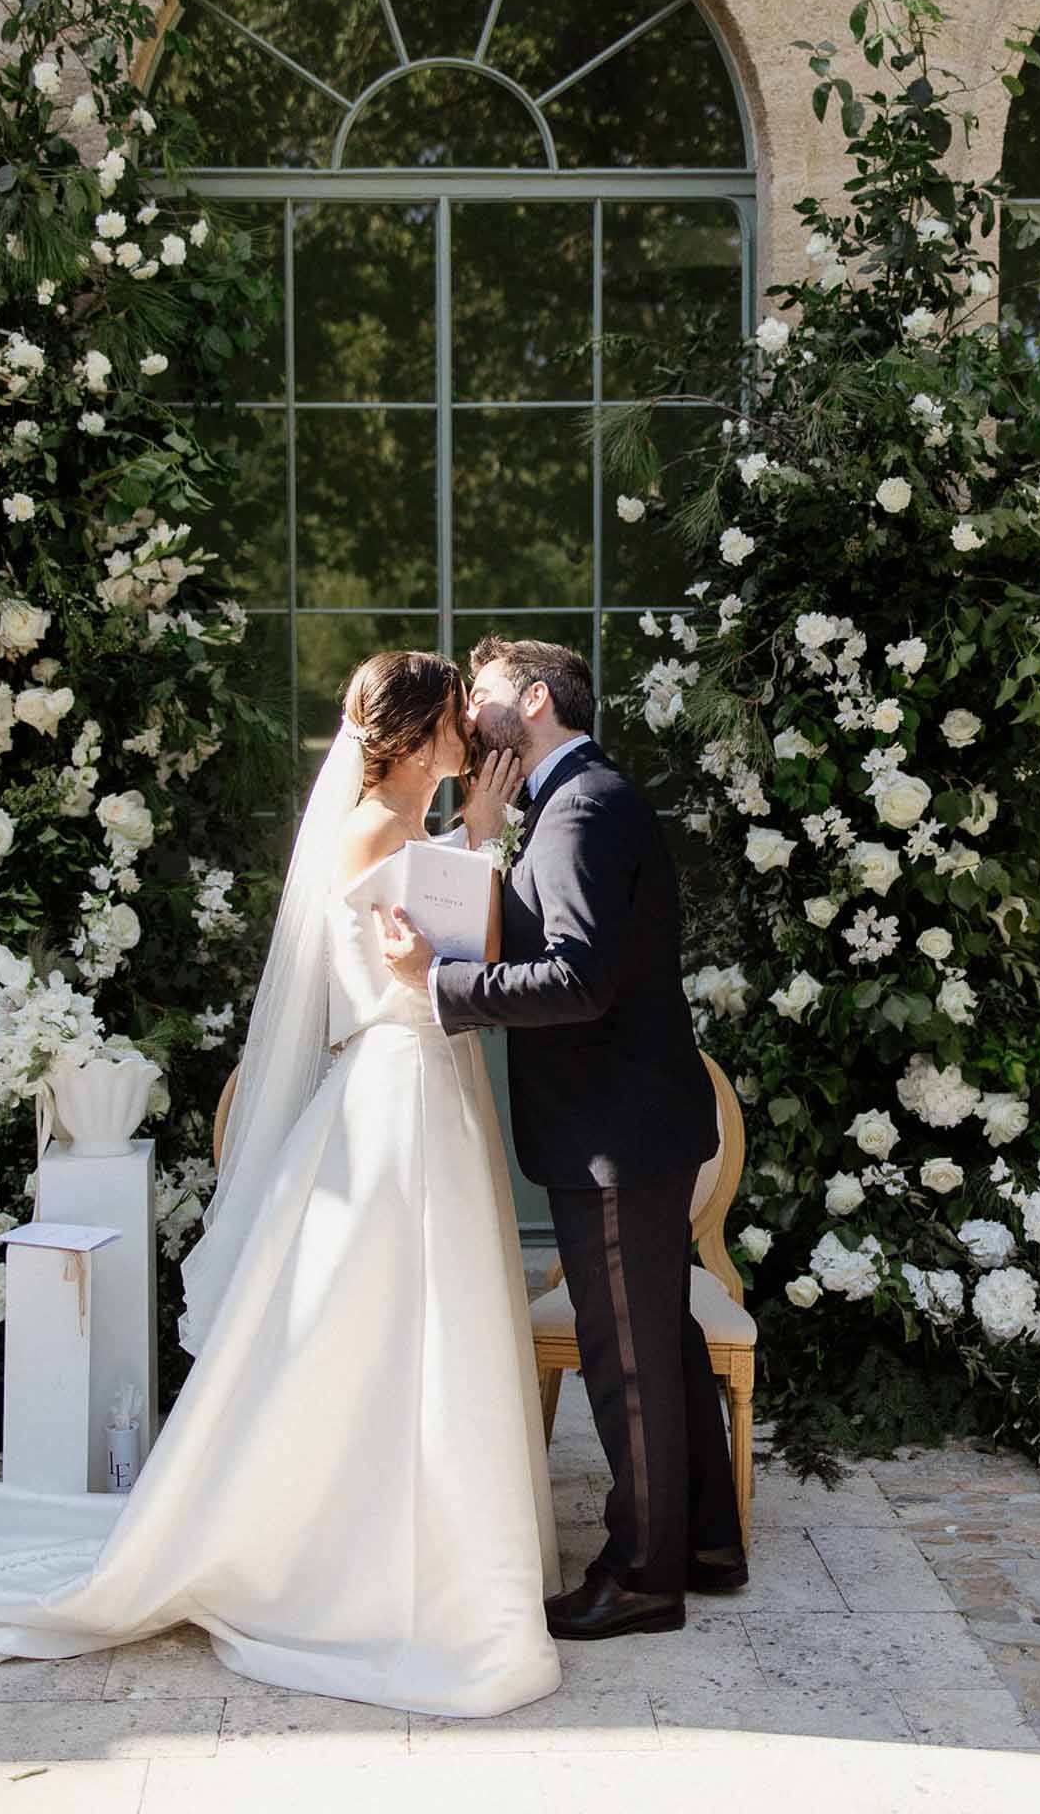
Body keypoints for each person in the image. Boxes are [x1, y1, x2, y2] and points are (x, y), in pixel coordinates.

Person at [0, 650, 563, 1717]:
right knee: (382, 1322)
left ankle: (432, 1540)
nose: (469, 741)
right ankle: (344, 1559)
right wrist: (480, 843)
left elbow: (463, 959)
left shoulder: (413, 834)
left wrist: (473, 844)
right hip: (395, 1091)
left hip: (428, 1083)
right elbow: (431, 965)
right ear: (410, 736)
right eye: (455, 721)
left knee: (419, 1325)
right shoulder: (370, 833)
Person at [377, 635, 746, 1641]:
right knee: (659, 1341)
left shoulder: (581, 806)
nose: (470, 701)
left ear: (535, 698)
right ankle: (706, 1540)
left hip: (615, 1132)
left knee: (627, 1357)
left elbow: (577, 982)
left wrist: (436, 983)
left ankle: (640, 1575)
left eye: (486, 688)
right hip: (630, 1122)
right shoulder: (577, 799)